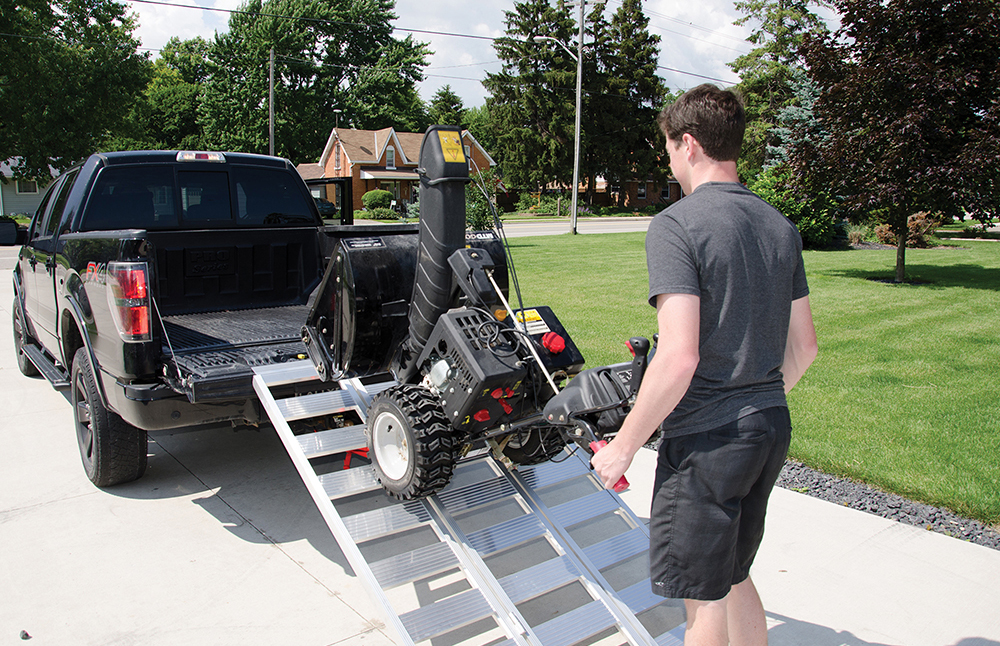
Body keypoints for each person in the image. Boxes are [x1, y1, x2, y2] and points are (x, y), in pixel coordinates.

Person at [591, 84, 818, 646]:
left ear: (688, 144)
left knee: (703, 601)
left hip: (708, 444)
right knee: (734, 575)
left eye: (668, 148)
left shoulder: (677, 225)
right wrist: (753, 396)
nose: (668, 160)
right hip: (769, 427)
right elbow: (806, 346)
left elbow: (679, 355)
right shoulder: (778, 226)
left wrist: (623, 446)